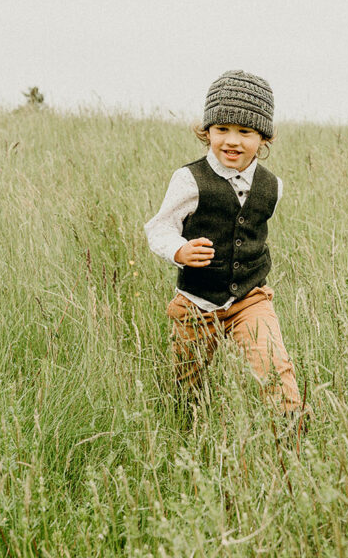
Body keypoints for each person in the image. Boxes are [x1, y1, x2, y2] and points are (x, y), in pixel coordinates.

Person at [145, 69, 303, 431]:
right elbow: (159, 227)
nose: (232, 141)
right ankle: (185, 431)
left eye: (244, 132)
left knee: (275, 367)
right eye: (222, 130)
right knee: (187, 384)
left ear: (263, 136)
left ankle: (291, 438)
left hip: (251, 298)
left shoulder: (272, 186)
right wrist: (179, 251)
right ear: (207, 132)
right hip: (195, 302)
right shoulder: (189, 179)